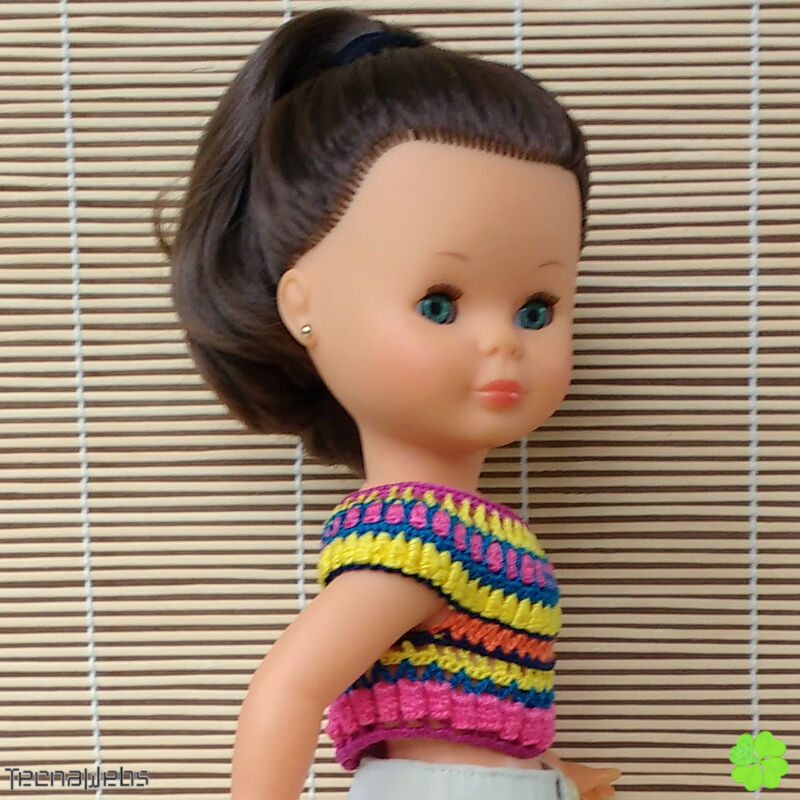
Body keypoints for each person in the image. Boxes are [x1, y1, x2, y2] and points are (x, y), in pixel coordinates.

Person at [154, 7, 623, 800]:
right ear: (303, 305)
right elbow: (289, 687)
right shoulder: (417, 538)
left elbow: (467, 710)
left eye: (536, 309)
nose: (501, 344)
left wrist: (556, 778)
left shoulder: (457, 533)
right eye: (439, 304)